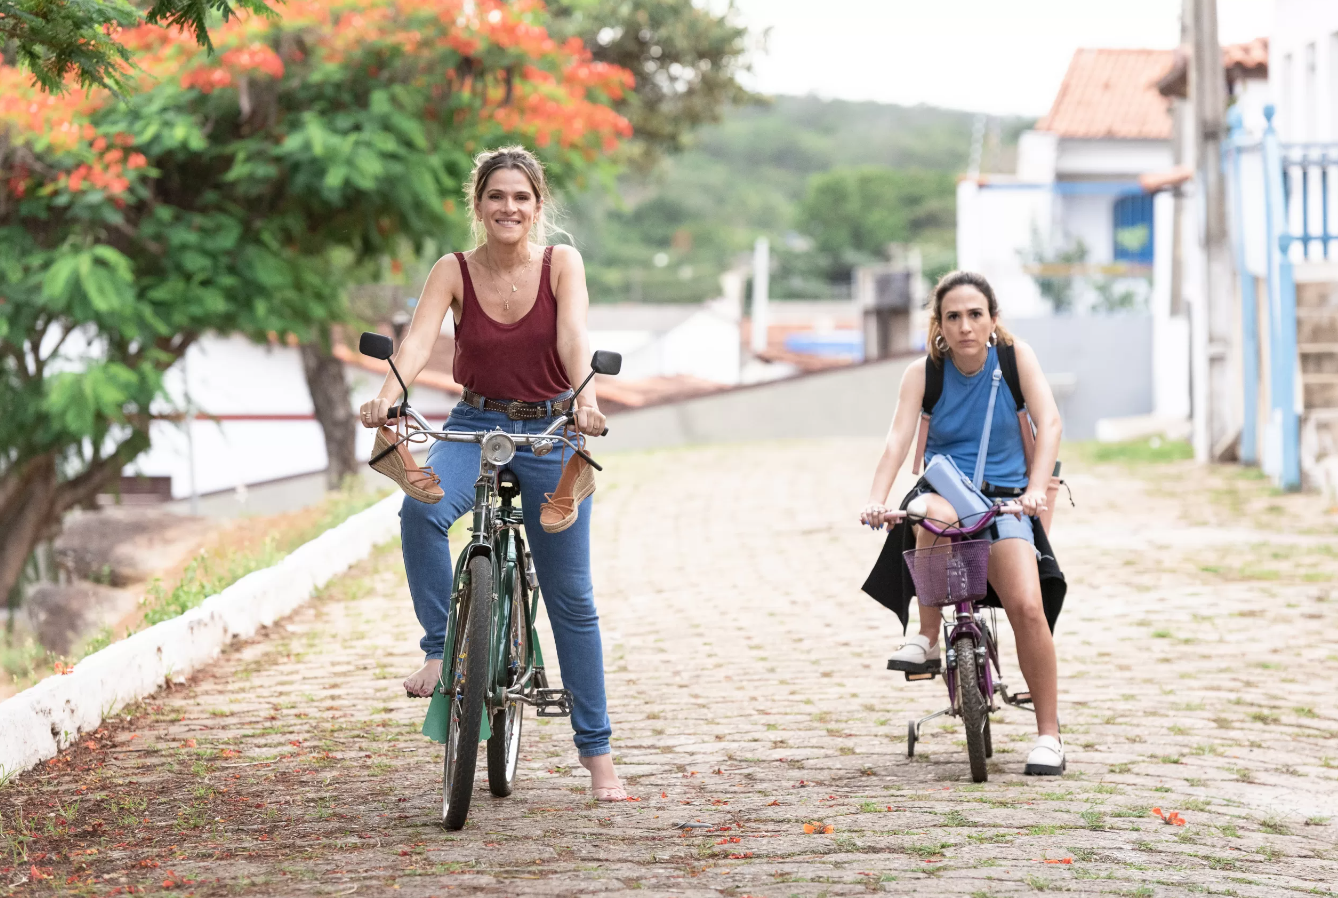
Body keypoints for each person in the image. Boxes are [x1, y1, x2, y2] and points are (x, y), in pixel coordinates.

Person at [359, 145, 625, 800]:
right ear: (477, 205)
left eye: (521, 198)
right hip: (474, 423)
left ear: (538, 206)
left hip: (551, 429)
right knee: (420, 508)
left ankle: (599, 760)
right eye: (496, 196)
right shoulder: (452, 270)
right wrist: (390, 390)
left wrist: (585, 400)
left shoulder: (562, 264)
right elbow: (419, 342)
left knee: (572, 601)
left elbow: (572, 339)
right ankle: (437, 646)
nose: (509, 208)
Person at [858, 271, 1067, 775]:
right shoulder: (923, 373)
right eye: (953, 316)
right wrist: (875, 498)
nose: (965, 326)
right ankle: (927, 636)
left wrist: (1035, 489)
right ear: (939, 324)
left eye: (975, 314)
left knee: (1026, 607)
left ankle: (1049, 736)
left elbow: (1051, 422)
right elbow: (897, 440)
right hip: (946, 490)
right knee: (926, 512)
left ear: (993, 320)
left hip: (1006, 501)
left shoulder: (1016, 360)